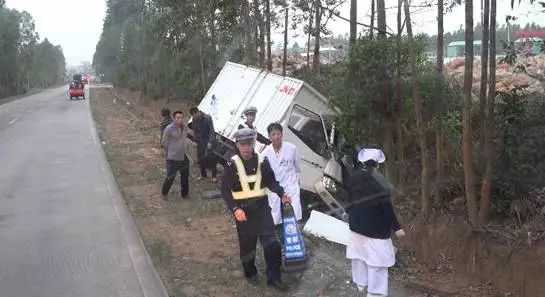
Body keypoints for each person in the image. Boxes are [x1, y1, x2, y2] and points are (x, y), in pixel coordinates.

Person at [221, 128, 292, 292]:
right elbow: (225, 190)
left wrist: (282, 194)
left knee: (272, 244)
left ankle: (274, 277)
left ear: (253, 144)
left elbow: (271, 181)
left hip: (262, 210)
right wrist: (235, 208)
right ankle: (250, 273)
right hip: (243, 212)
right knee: (248, 246)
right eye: (242, 144)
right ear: (237, 145)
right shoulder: (232, 164)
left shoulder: (262, 161)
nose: (246, 148)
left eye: (249, 144)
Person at [345, 148, 405, 297]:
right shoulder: (380, 181)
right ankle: (375, 293)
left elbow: (349, 197)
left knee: (359, 257)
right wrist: (397, 227)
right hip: (376, 229)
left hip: (357, 226)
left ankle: (360, 285)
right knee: (377, 263)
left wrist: (347, 212)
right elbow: (387, 207)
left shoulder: (353, 176)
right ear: (377, 164)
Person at [262, 122, 302, 237]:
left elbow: (297, 167)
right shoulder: (265, 153)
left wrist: (296, 183)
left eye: (278, 134)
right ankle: (281, 238)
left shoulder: (292, 148)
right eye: (273, 134)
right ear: (269, 136)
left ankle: (296, 238)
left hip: (290, 185)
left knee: (294, 211)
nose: (276, 137)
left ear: (282, 134)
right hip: (274, 187)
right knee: (276, 214)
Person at [161, 110, 196, 201]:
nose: (180, 119)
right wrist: (169, 151)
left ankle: (184, 194)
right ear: (174, 118)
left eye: (181, 117)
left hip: (183, 156)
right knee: (171, 176)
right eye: (178, 117)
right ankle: (164, 193)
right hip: (172, 157)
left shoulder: (184, 128)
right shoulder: (169, 128)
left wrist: (191, 143)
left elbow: (185, 139)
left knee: (185, 176)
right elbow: (164, 142)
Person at [189, 107, 218, 182]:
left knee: (212, 159)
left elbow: (212, 131)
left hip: (208, 139)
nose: (194, 117)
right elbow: (195, 131)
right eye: (193, 116)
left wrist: (210, 142)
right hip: (200, 141)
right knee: (201, 158)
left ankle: (214, 176)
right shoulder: (194, 119)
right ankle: (203, 175)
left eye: (195, 115)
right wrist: (195, 141)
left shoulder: (207, 118)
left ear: (198, 112)